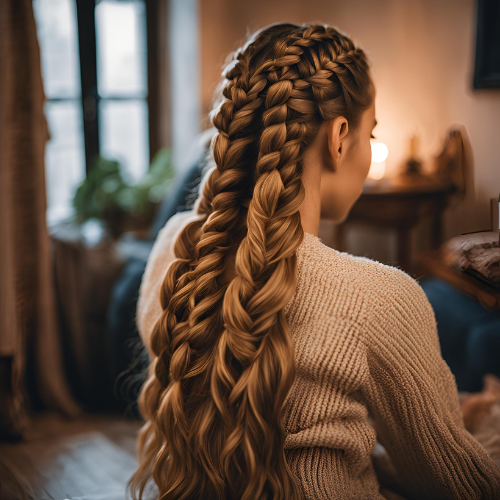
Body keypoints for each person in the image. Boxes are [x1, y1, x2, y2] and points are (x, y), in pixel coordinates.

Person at [127, 22, 500, 500]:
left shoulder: (173, 248)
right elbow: (459, 485)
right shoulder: (378, 298)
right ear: (340, 137)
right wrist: (457, 434)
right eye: (373, 131)